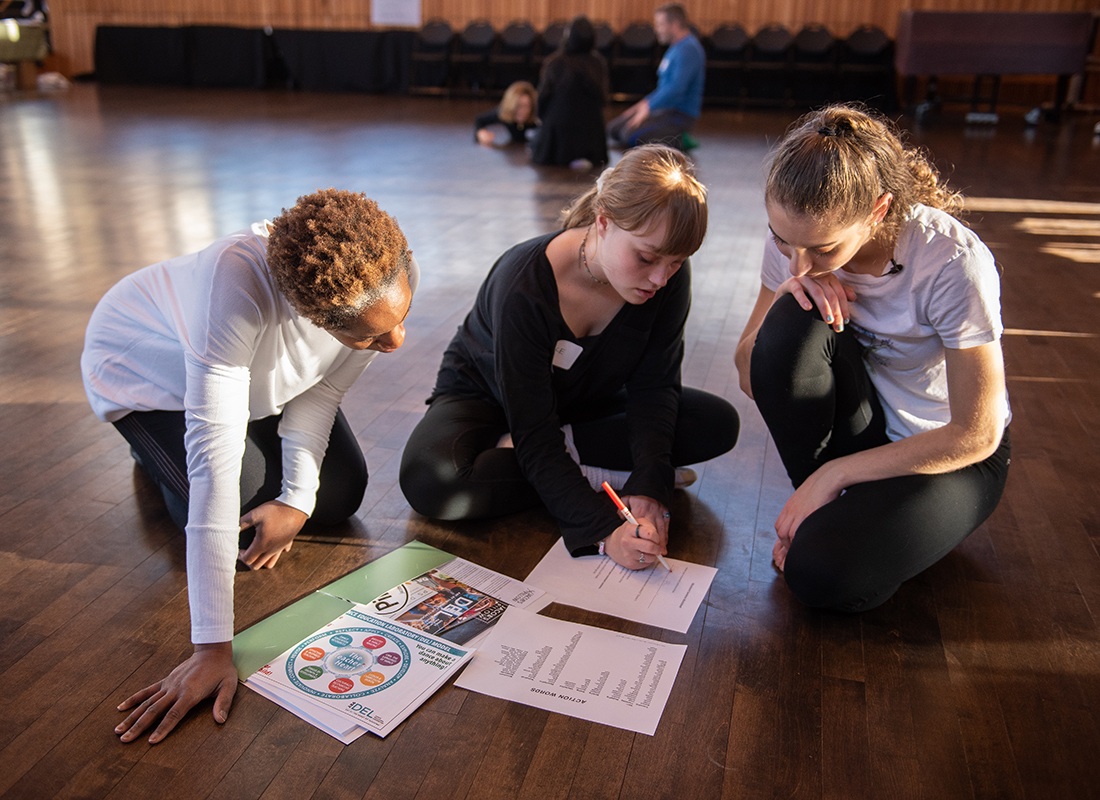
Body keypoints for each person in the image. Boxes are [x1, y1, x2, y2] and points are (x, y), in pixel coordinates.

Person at [81, 188, 418, 743]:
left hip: (253, 377)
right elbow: (213, 470)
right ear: (314, 316)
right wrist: (212, 649)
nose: (397, 340)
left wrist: (297, 499)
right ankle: (149, 445)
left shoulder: (391, 271)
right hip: (148, 371)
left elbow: (321, 389)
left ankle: (241, 436)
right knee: (236, 518)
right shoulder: (233, 290)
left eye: (399, 317)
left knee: (335, 498)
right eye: (371, 335)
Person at [400, 145, 739, 570]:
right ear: (603, 222)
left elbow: (655, 385)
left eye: (676, 262)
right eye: (647, 258)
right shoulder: (524, 284)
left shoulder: (666, 276)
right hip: (488, 395)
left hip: (585, 402)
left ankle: (561, 460)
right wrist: (603, 530)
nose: (660, 278)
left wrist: (652, 485)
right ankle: (594, 474)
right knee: (433, 483)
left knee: (716, 424)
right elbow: (535, 427)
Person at [734, 104, 1012, 612]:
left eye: (821, 248)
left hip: (949, 456)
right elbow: (752, 373)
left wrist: (832, 476)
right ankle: (831, 512)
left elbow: (978, 434)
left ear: (879, 209)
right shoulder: (797, 238)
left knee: (821, 576)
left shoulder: (950, 262)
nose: (798, 261)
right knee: (791, 322)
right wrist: (787, 294)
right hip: (866, 425)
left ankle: (838, 512)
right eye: (782, 240)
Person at [607, 3, 705, 151]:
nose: (656, 29)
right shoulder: (675, 48)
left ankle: (680, 138)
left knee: (629, 135)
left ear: (674, 24)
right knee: (613, 129)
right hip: (663, 111)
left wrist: (648, 107)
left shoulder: (688, 49)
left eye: (660, 24)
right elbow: (664, 88)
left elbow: (676, 88)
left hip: (679, 115)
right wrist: (641, 105)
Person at [531, 15, 609, 169]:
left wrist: (541, 119)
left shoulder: (555, 62)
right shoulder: (597, 63)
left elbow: (543, 97)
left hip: (558, 141)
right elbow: (603, 99)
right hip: (590, 139)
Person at [474, 80, 539, 146]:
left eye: (526, 106)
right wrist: (481, 133)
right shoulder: (504, 112)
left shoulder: (539, 115)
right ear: (511, 106)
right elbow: (480, 120)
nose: (522, 111)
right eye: (518, 106)